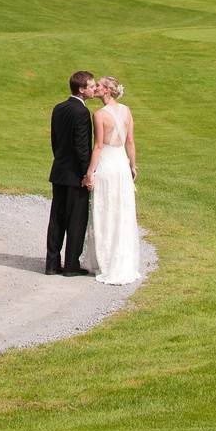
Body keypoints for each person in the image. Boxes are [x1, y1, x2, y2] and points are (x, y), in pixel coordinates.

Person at [81, 76, 142, 285]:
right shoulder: (126, 110)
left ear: (106, 90)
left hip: (107, 165)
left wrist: (90, 171)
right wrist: (132, 166)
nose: (95, 88)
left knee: (105, 210)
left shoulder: (99, 115)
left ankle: (106, 261)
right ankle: (122, 259)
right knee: (121, 210)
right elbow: (130, 142)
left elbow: (98, 146)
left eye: (98, 85)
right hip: (121, 165)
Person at [46, 70, 95, 276]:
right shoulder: (82, 113)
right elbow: (82, 146)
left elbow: (55, 141)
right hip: (75, 175)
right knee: (76, 220)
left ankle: (52, 263)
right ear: (82, 90)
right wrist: (87, 173)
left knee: (57, 218)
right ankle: (71, 264)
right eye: (91, 86)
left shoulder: (59, 108)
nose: (94, 89)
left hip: (59, 171)